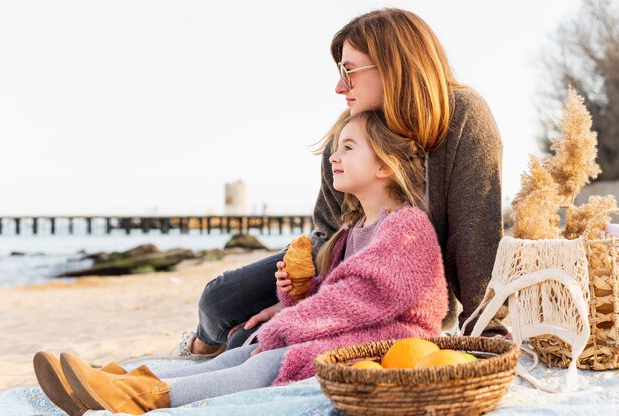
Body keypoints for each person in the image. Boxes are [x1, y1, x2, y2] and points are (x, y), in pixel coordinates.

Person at [33, 110, 448, 414]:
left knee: (269, 357)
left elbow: (359, 298)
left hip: (392, 342)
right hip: (359, 333)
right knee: (236, 354)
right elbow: (330, 295)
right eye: (335, 148)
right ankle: (122, 380)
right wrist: (294, 293)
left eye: (348, 147)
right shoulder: (352, 230)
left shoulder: (405, 227)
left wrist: (285, 324)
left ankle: (144, 396)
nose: (334, 157)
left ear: (385, 165)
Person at [174, 7, 507, 360]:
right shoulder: (348, 134)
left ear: (393, 67)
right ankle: (200, 344)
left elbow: (475, 235)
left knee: (250, 344)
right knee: (218, 300)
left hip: (402, 295)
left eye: (349, 72)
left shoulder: (464, 115)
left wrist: (486, 330)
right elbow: (329, 230)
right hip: (336, 276)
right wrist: (304, 305)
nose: (338, 87)